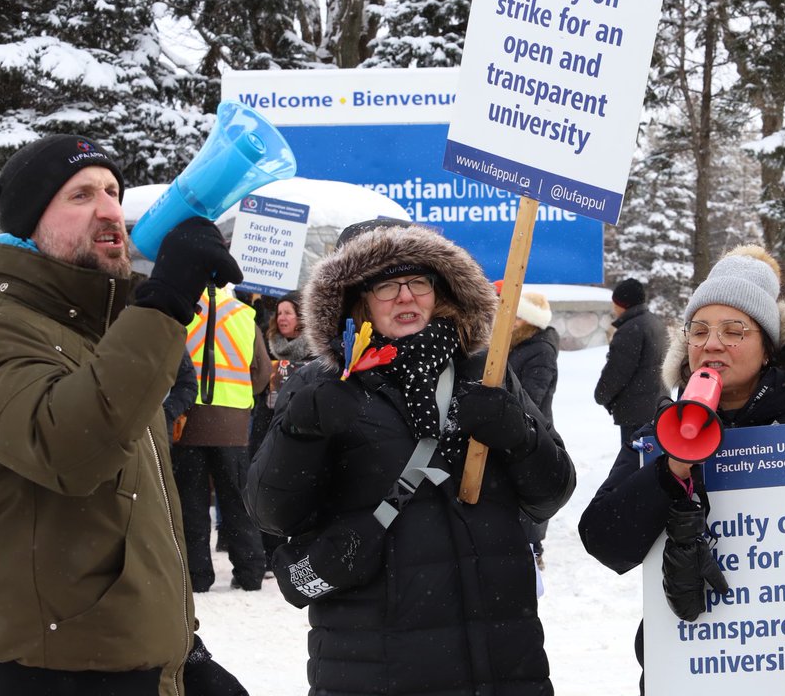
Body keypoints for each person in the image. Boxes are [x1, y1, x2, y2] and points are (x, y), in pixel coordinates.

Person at [0, 134, 246, 696]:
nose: (109, 210)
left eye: (113, 191)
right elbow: (72, 451)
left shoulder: (100, 331)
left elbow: (134, 516)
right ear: (30, 223)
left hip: (134, 659)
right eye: (80, 195)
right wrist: (167, 300)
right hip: (60, 673)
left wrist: (184, 651)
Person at [245, 218, 576, 695]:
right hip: (376, 665)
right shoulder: (321, 386)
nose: (406, 296)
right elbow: (270, 513)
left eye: (417, 280)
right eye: (386, 285)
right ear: (356, 299)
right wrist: (304, 429)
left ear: (439, 290)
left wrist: (520, 436)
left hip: (502, 656)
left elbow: (551, 494)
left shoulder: (486, 371)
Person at [578, 246, 785, 695]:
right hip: (698, 664)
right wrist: (670, 470)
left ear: (767, 348)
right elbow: (605, 542)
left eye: (734, 331)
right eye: (699, 331)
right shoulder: (659, 432)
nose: (713, 344)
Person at [174, 285, 270, 592]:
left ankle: (197, 576)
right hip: (234, 423)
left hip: (188, 421)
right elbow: (262, 371)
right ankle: (250, 571)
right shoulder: (245, 315)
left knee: (192, 503)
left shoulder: (183, 311)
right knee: (237, 502)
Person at [249, 290, 312, 566]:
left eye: (289, 312)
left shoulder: (317, 349)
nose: (283, 317)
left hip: (302, 427)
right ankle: (270, 550)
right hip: (268, 422)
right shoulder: (268, 344)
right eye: (280, 312)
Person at [508, 290, 559, 569]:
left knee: (530, 490)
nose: (510, 320)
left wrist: (511, 413)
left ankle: (532, 550)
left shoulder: (540, 349)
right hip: (514, 427)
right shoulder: (518, 344)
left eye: (517, 316)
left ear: (529, 320)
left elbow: (532, 396)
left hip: (531, 431)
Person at [594, 277, 667, 448]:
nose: (613, 308)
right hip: (656, 405)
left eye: (615, 303)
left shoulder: (630, 330)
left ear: (623, 304)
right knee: (651, 462)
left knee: (634, 464)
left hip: (636, 411)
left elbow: (617, 371)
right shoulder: (655, 323)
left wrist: (601, 395)